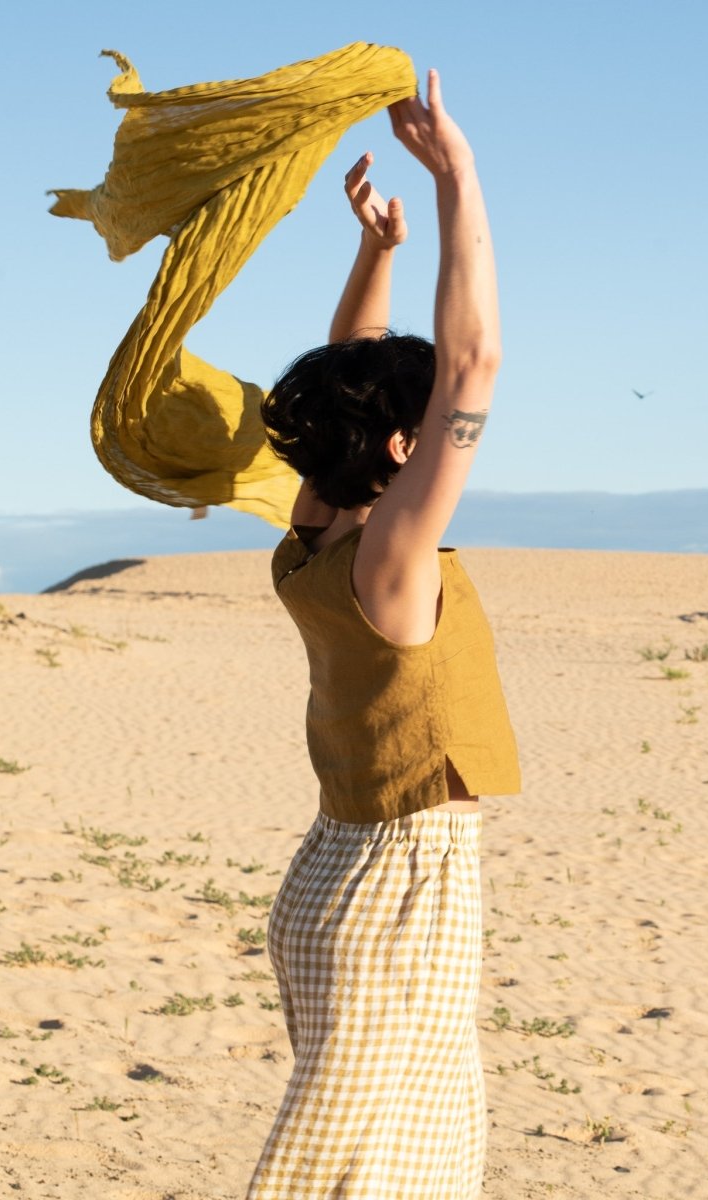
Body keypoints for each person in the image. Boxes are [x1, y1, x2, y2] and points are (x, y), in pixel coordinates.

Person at [246, 69, 521, 1199]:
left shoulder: (314, 535)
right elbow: (473, 366)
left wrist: (377, 253)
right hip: (404, 888)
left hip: (334, 879)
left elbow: (342, 402)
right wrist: (458, 175)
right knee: (366, 1179)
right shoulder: (393, 566)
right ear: (408, 453)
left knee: (382, 1162)